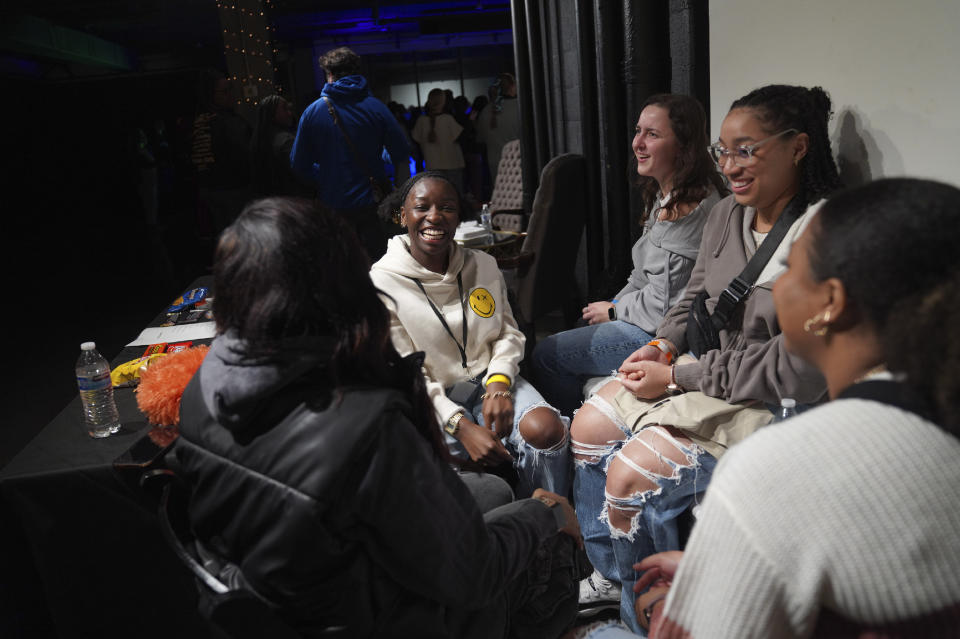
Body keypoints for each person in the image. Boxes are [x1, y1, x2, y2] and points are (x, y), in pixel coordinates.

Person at [175, 196, 588, 638]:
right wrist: (546, 514)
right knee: (550, 537)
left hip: (277, 596)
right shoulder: (365, 424)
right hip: (378, 618)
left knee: (489, 491)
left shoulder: (204, 382)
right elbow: (473, 574)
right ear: (339, 287)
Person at [616, 178, 960, 639]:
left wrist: (678, 611)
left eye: (790, 270)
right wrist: (730, 568)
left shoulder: (772, 470)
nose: (776, 288)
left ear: (830, 304)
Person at [570, 84, 842, 632]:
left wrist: (678, 375)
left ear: (798, 147)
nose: (732, 167)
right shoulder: (726, 215)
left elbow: (792, 367)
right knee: (588, 425)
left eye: (748, 150)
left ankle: (647, 614)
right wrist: (662, 344)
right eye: (723, 152)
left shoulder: (821, 233)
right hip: (701, 368)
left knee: (629, 475)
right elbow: (693, 296)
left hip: (763, 399)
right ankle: (613, 578)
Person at [369, 172, 572, 500]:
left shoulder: (483, 264)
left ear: (458, 216)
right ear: (402, 215)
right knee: (436, 481)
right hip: (430, 400)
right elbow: (406, 372)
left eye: (446, 207)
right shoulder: (381, 283)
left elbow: (508, 332)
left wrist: (499, 384)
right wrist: (459, 426)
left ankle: (547, 522)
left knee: (546, 430)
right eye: (422, 207)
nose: (434, 216)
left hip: (490, 381)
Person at [532, 94, 727, 417]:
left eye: (652, 134)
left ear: (683, 145)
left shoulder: (693, 208)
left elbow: (664, 306)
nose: (638, 143)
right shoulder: (666, 194)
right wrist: (610, 307)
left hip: (663, 332)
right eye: (638, 131)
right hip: (648, 318)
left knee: (545, 355)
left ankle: (564, 433)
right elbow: (640, 276)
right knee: (582, 320)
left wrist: (614, 311)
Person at [290, 46, 410, 262]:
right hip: (374, 203)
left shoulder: (313, 112)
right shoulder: (376, 108)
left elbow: (299, 164)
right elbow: (401, 152)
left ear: (329, 75)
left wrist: (326, 176)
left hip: (333, 206)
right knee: (380, 265)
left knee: (342, 266)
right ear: (357, 72)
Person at [189, 68, 252, 234]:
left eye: (231, 89)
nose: (231, 95)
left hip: (211, 189)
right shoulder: (227, 122)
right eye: (225, 91)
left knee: (224, 236)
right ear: (211, 95)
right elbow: (244, 155)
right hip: (232, 188)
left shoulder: (198, 120)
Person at [249, 94, 312, 198]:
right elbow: (303, 172)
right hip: (295, 199)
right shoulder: (285, 141)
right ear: (271, 114)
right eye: (285, 109)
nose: (290, 113)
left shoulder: (259, 140)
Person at [411, 88, 466, 191]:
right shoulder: (448, 119)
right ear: (444, 101)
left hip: (431, 166)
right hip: (452, 164)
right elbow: (461, 138)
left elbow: (416, 140)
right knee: (455, 195)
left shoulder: (421, 122)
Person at [476, 73, 521, 187]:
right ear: (512, 86)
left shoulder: (485, 111)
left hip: (495, 162)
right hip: (517, 161)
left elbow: (480, 139)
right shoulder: (519, 107)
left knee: (501, 197)